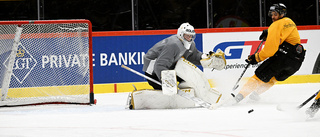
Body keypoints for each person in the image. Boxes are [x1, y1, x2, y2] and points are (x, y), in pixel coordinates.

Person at [127, 22, 227, 109]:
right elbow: (159, 65)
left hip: (169, 69)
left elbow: (193, 55)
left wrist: (205, 57)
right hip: (154, 72)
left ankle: (207, 96)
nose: (189, 38)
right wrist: (167, 81)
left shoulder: (190, 44)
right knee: (167, 93)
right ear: (180, 34)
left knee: (187, 80)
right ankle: (138, 98)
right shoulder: (173, 45)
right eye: (187, 35)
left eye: (191, 36)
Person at [230, 3, 306, 104]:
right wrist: (270, 32)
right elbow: (284, 32)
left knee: (259, 76)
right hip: (296, 62)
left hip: (283, 57)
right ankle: (255, 95)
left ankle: (238, 98)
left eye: (275, 14)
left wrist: (256, 58)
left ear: (282, 14)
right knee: (273, 77)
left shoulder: (275, 25)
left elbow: (270, 50)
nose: (273, 17)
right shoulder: (290, 21)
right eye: (271, 14)